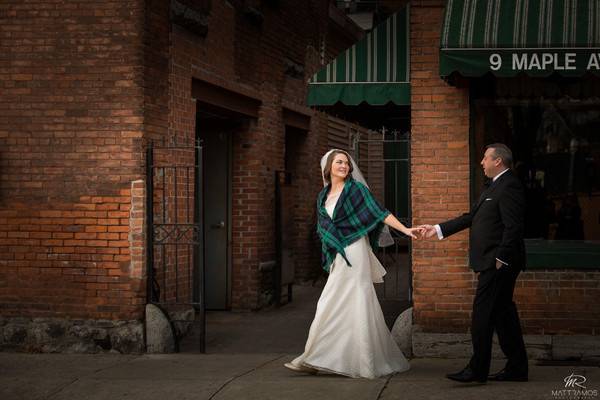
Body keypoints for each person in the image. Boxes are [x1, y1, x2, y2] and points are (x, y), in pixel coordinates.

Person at [284, 149, 421, 379]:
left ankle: (336, 360)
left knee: (349, 300)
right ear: (328, 167)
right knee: (333, 302)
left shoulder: (356, 190)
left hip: (355, 251)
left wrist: (405, 229)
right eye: (339, 162)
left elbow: (379, 213)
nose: (344, 166)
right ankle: (316, 356)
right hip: (339, 253)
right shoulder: (322, 195)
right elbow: (324, 226)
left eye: (346, 163)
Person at [421, 144, 528, 384]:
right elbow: (471, 217)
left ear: (498, 161)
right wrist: (437, 229)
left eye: (485, 158)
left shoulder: (509, 185)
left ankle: (477, 370)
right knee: (503, 315)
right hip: (493, 262)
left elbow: (514, 227)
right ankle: (517, 368)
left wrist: (501, 258)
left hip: (498, 263)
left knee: (482, 315)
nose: (481, 162)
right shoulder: (494, 186)